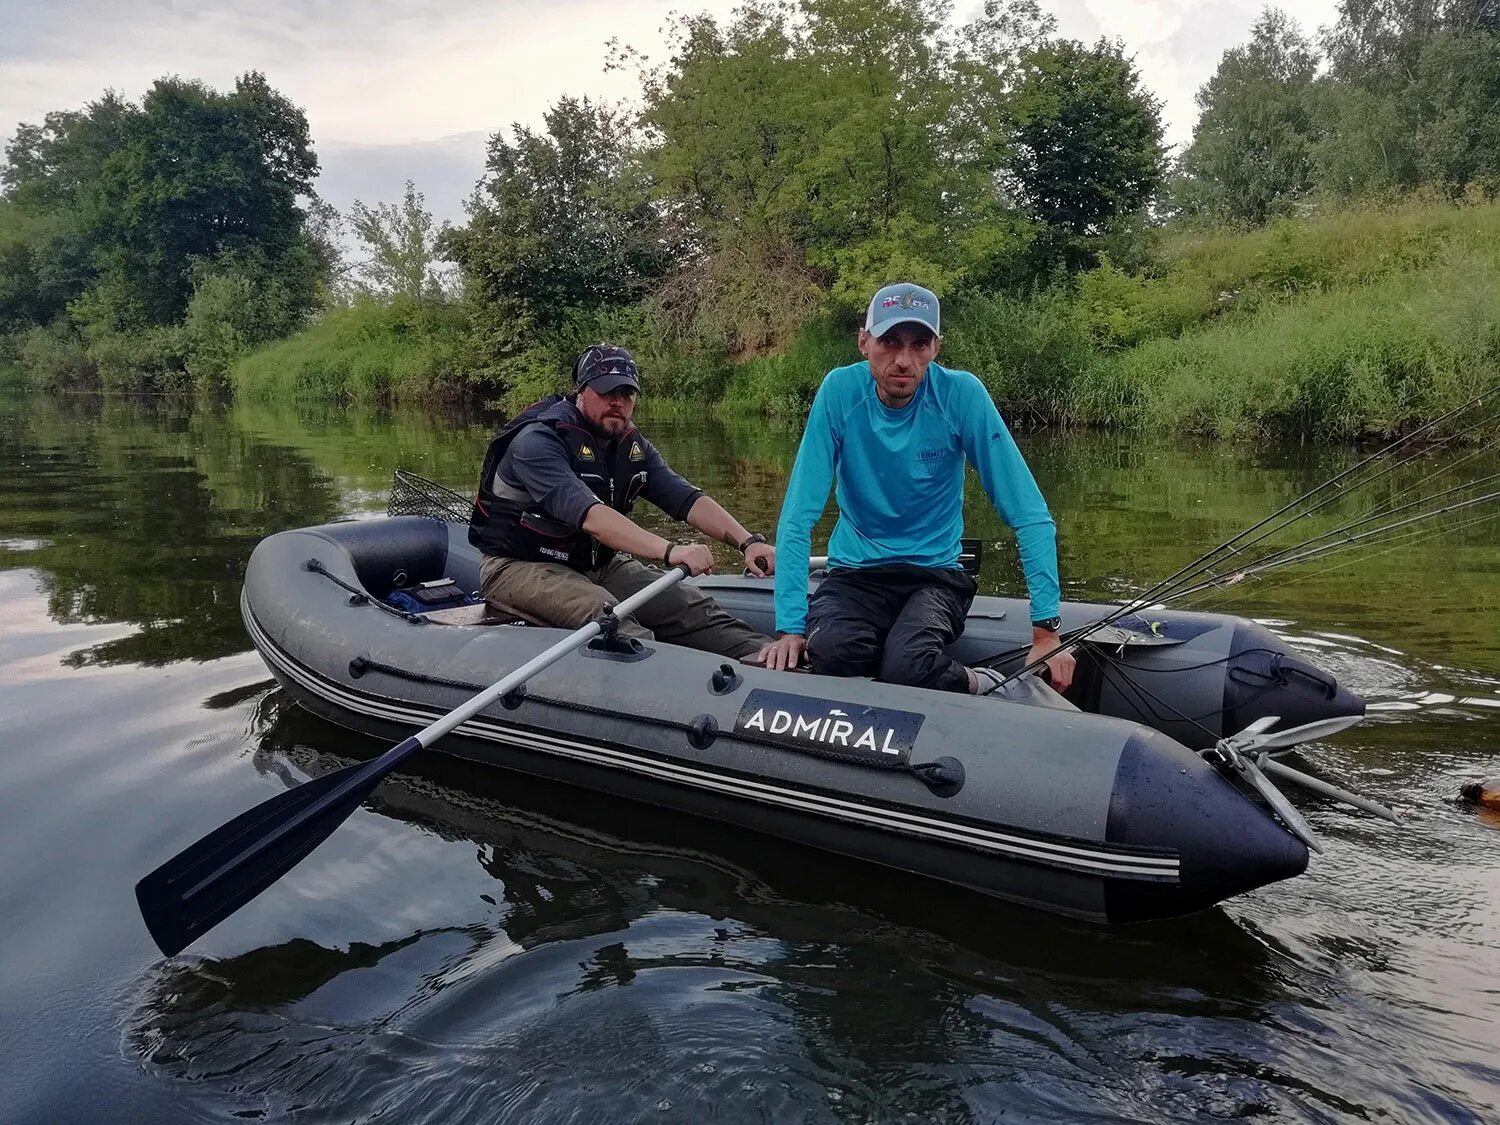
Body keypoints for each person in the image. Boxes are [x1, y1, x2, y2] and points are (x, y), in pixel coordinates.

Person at [760, 282, 1076, 696]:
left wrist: (1046, 631)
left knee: (909, 665)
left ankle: (985, 684)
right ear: (864, 342)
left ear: (936, 348)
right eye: (889, 341)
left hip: (935, 576)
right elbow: (799, 514)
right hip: (855, 575)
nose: (904, 360)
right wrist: (790, 627)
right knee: (834, 653)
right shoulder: (839, 392)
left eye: (919, 343)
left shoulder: (961, 395)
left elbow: (1029, 513)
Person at [470, 343, 776, 660]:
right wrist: (671, 551)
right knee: (611, 618)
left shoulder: (630, 444)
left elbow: (685, 498)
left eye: (627, 393)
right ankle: (670, 690)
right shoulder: (538, 440)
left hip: (597, 564)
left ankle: (774, 661)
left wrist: (748, 542)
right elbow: (592, 517)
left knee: (687, 606)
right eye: (607, 391)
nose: (617, 402)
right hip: (519, 567)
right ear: (582, 391)